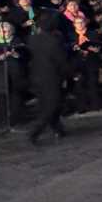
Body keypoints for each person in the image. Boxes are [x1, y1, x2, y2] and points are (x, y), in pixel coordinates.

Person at [28, 13, 70, 144]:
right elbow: (61, 61)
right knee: (52, 104)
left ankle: (58, 129)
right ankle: (36, 130)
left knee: (46, 103)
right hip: (52, 77)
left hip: (36, 75)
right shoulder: (54, 41)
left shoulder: (32, 39)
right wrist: (69, 74)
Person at [0, 21, 27, 126]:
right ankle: (2, 120)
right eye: (4, 31)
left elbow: (26, 56)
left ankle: (16, 119)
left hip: (15, 73)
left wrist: (17, 55)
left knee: (16, 95)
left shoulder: (17, 41)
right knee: (1, 96)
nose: (7, 33)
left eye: (9, 31)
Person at [68, 16, 102, 113]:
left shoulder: (93, 33)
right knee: (79, 85)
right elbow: (67, 47)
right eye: (77, 23)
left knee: (93, 84)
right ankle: (82, 107)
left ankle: (96, 105)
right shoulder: (70, 35)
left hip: (91, 61)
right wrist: (73, 47)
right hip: (77, 63)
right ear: (74, 25)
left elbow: (99, 45)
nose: (80, 24)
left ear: (85, 23)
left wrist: (93, 48)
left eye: (81, 22)